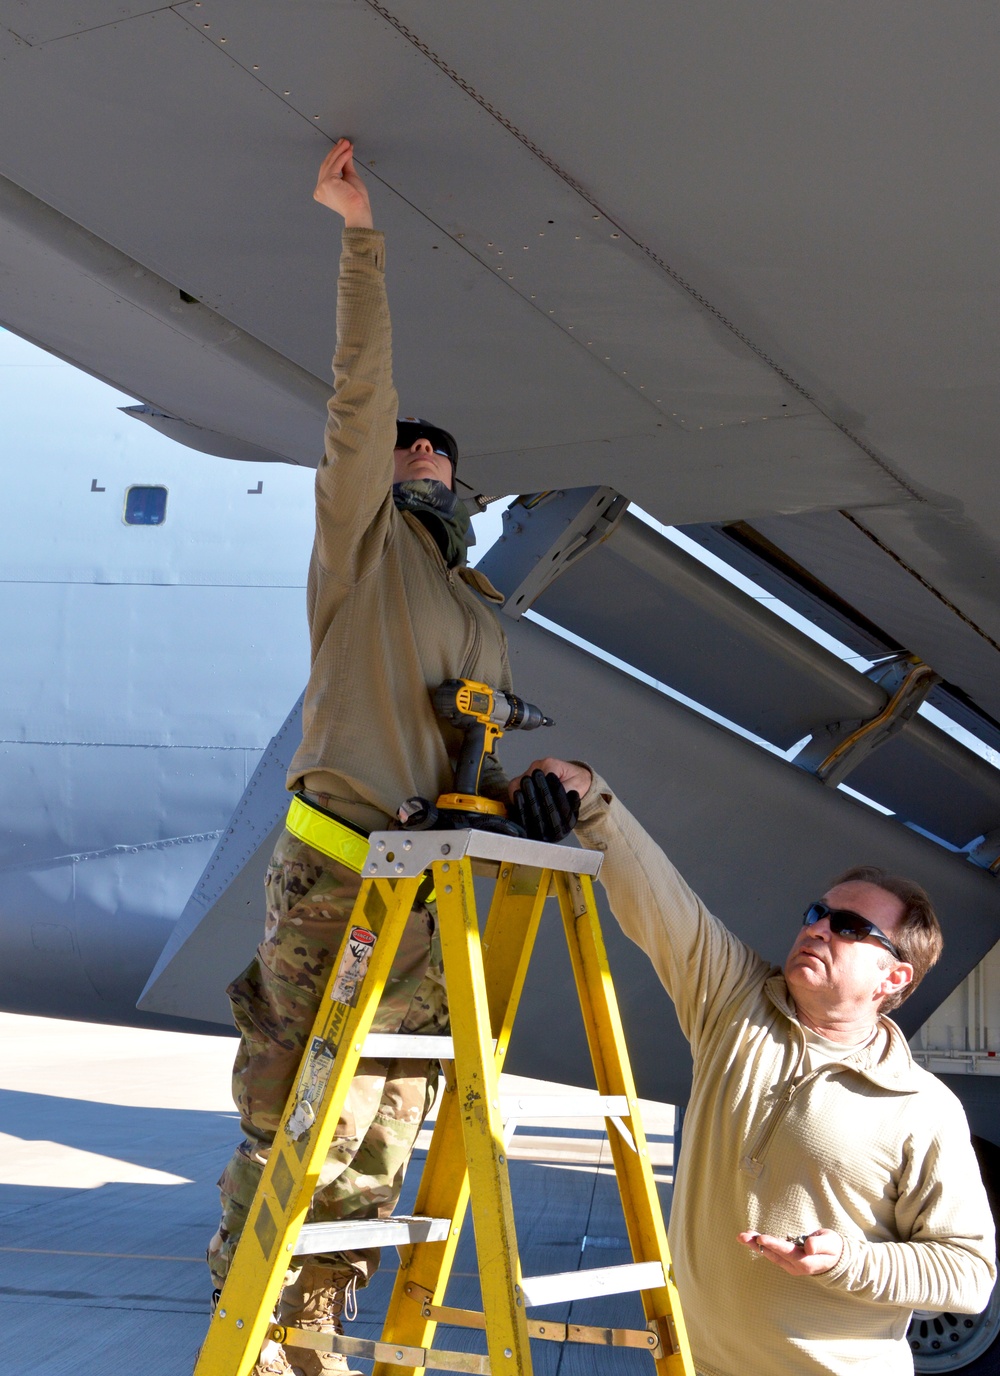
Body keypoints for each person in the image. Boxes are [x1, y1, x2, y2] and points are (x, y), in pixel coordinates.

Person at [207, 140, 517, 1376]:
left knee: (385, 1121)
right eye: (406, 450)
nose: (420, 454)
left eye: (437, 452)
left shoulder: (476, 604)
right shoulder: (363, 554)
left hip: (424, 884)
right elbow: (358, 398)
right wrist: (361, 236)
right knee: (289, 1110)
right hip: (335, 862)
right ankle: (248, 1304)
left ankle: (313, 1325)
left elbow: (468, 741)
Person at [509, 762, 997, 1376]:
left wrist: (845, 1259)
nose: (818, 928)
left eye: (848, 927)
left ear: (894, 977)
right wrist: (590, 796)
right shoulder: (735, 1004)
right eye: (817, 912)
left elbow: (968, 1275)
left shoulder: (920, 1108)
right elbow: (663, 905)